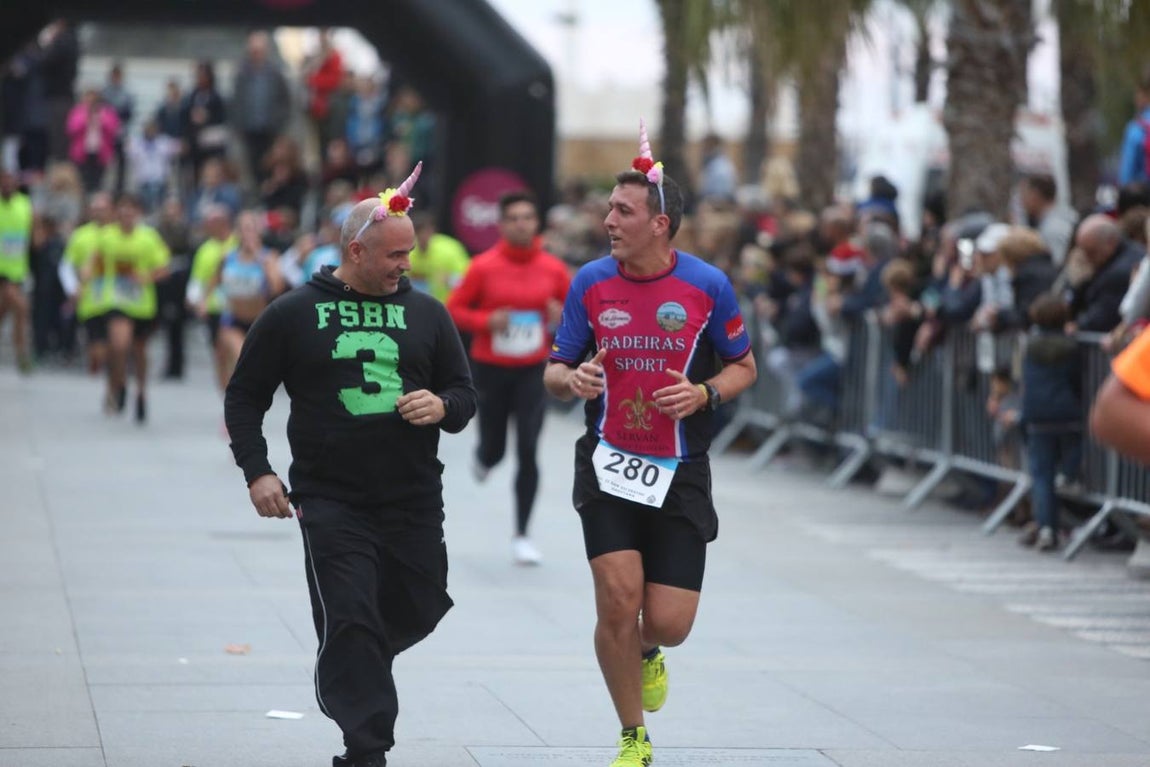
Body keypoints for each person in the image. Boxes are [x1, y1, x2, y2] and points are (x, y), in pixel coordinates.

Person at [223, 163, 477, 767]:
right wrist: (258, 471)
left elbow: (465, 396)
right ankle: (365, 749)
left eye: (410, 253)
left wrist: (442, 406)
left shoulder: (429, 314)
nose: (406, 265)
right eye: (395, 255)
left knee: (420, 604)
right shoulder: (292, 313)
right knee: (353, 614)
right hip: (330, 499)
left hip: (414, 497)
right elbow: (244, 397)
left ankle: (350, 659)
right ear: (356, 251)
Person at [542, 121, 757, 767]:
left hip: (680, 468)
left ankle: (648, 649)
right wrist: (571, 379)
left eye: (623, 211)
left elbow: (745, 367)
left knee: (667, 621)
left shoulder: (708, 285)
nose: (608, 219)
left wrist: (704, 394)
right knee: (617, 599)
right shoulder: (590, 281)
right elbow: (555, 370)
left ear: (660, 224)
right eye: (610, 208)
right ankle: (633, 737)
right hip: (608, 462)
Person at [446, 190, 571, 564]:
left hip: (533, 369)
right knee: (495, 447)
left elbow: (573, 316)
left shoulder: (553, 269)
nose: (521, 224)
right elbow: (454, 310)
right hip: (491, 368)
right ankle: (485, 457)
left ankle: (522, 534)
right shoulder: (483, 266)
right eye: (513, 218)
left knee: (529, 447)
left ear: (537, 223)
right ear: (500, 225)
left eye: (527, 218)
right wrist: (487, 321)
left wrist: (559, 317)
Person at [81, 192, 170, 421]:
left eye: (131, 211)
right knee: (119, 345)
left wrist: (146, 277)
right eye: (122, 210)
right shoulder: (106, 236)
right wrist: (87, 272)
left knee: (139, 350)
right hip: (115, 300)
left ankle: (141, 392)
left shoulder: (149, 237)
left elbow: (164, 268)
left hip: (142, 304)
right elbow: (94, 260)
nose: (126, 215)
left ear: (138, 214)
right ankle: (119, 383)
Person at [1018, 295, 1082, 552]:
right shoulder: (1071, 347)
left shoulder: (1030, 346)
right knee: (1073, 447)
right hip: (1066, 411)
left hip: (1037, 414)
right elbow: (1076, 380)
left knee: (1041, 474)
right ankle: (1069, 475)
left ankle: (1046, 528)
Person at [199, 210, 284, 392]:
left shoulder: (268, 257)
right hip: (232, 319)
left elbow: (277, 288)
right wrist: (204, 302)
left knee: (248, 365)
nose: (247, 234)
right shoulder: (228, 257)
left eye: (251, 229)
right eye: (243, 229)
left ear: (259, 232)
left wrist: (260, 259)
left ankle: (242, 398)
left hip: (258, 321)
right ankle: (229, 400)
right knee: (231, 358)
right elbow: (214, 281)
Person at [0, 167, 33, 371]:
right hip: (2, 270)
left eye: (10, 180)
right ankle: (22, 353)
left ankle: (21, 352)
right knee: (21, 307)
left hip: (17, 269)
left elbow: (32, 234)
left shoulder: (24, 204)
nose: (7, 184)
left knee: (5, 311)